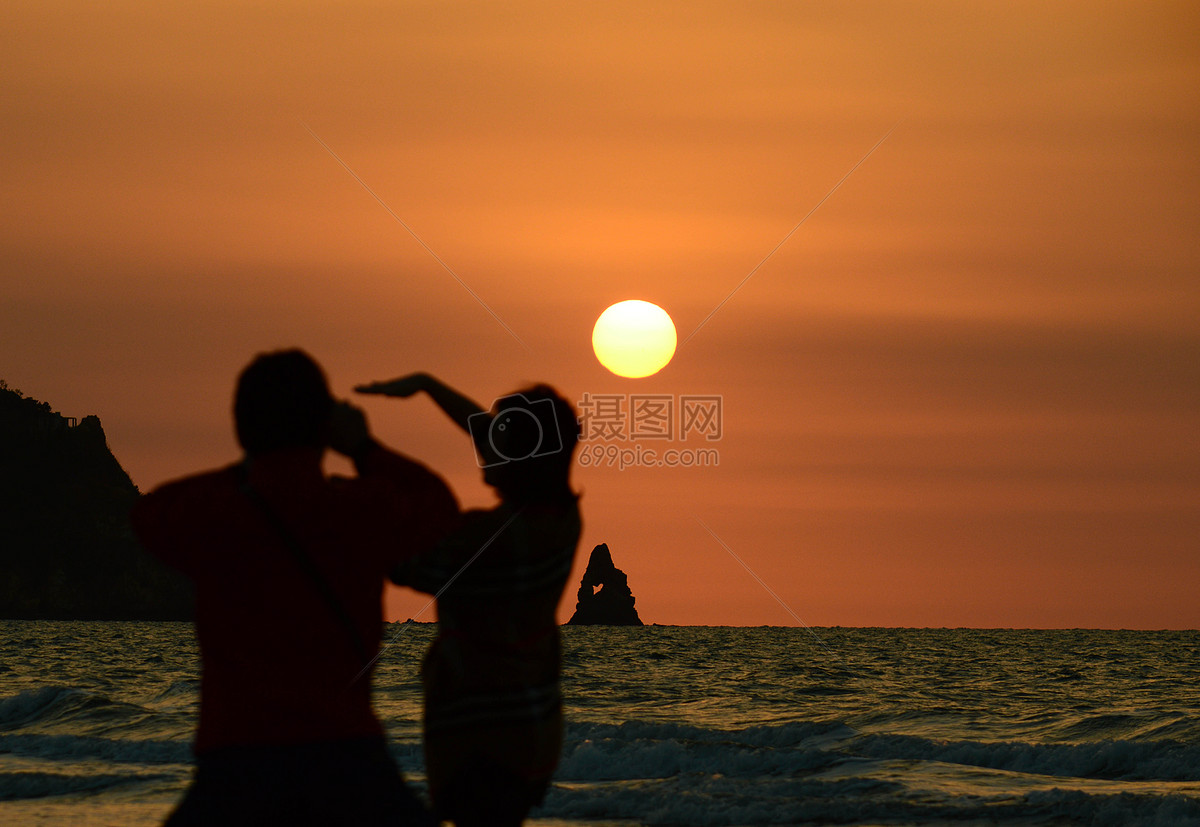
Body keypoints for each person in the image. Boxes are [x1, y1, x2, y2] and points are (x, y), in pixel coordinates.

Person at [131, 350, 457, 826]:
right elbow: (437, 505)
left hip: (236, 769)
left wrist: (252, 465)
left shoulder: (213, 513)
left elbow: (149, 515)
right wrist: (364, 448)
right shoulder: (356, 512)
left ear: (242, 428)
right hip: (347, 764)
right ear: (323, 426)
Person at [356, 372, 582, 827]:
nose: (483, 440)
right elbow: (487, 431)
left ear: (519, 458)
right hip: (533, 730)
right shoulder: (561, 517)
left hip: (481, 743)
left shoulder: (488, 540)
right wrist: (428, 385)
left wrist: (363, 453)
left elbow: (403, 559)